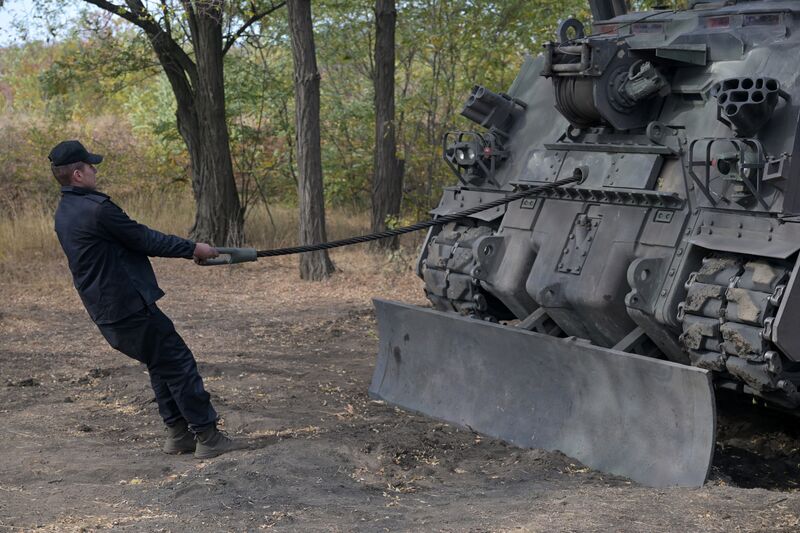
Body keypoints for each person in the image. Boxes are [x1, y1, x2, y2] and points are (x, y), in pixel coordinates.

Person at [50, 140, 238, 459]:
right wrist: (193, 248)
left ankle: (178, 434)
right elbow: (143, 238)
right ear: (78, 175)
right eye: (90, 166)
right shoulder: (97, 210)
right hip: (128, 308)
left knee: (160, 362)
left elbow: (130, 244)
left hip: (107, 311)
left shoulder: (64, 212)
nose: (96, 170)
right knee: (177, 363)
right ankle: (207, 436)